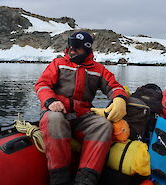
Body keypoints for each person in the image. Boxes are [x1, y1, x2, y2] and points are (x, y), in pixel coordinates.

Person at [35, 31, 128, 185]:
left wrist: (119, 99)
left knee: (103, 125)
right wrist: (50, 101)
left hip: (82, 116)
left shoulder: (98, 69)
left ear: (87, 48)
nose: (72, 50)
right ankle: (60, 180)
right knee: (54, 119)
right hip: (56, 111)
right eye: (70, 46)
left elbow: (115, 87)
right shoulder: (58, 64)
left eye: (77, 47)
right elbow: (42, 85)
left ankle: (85, 180)